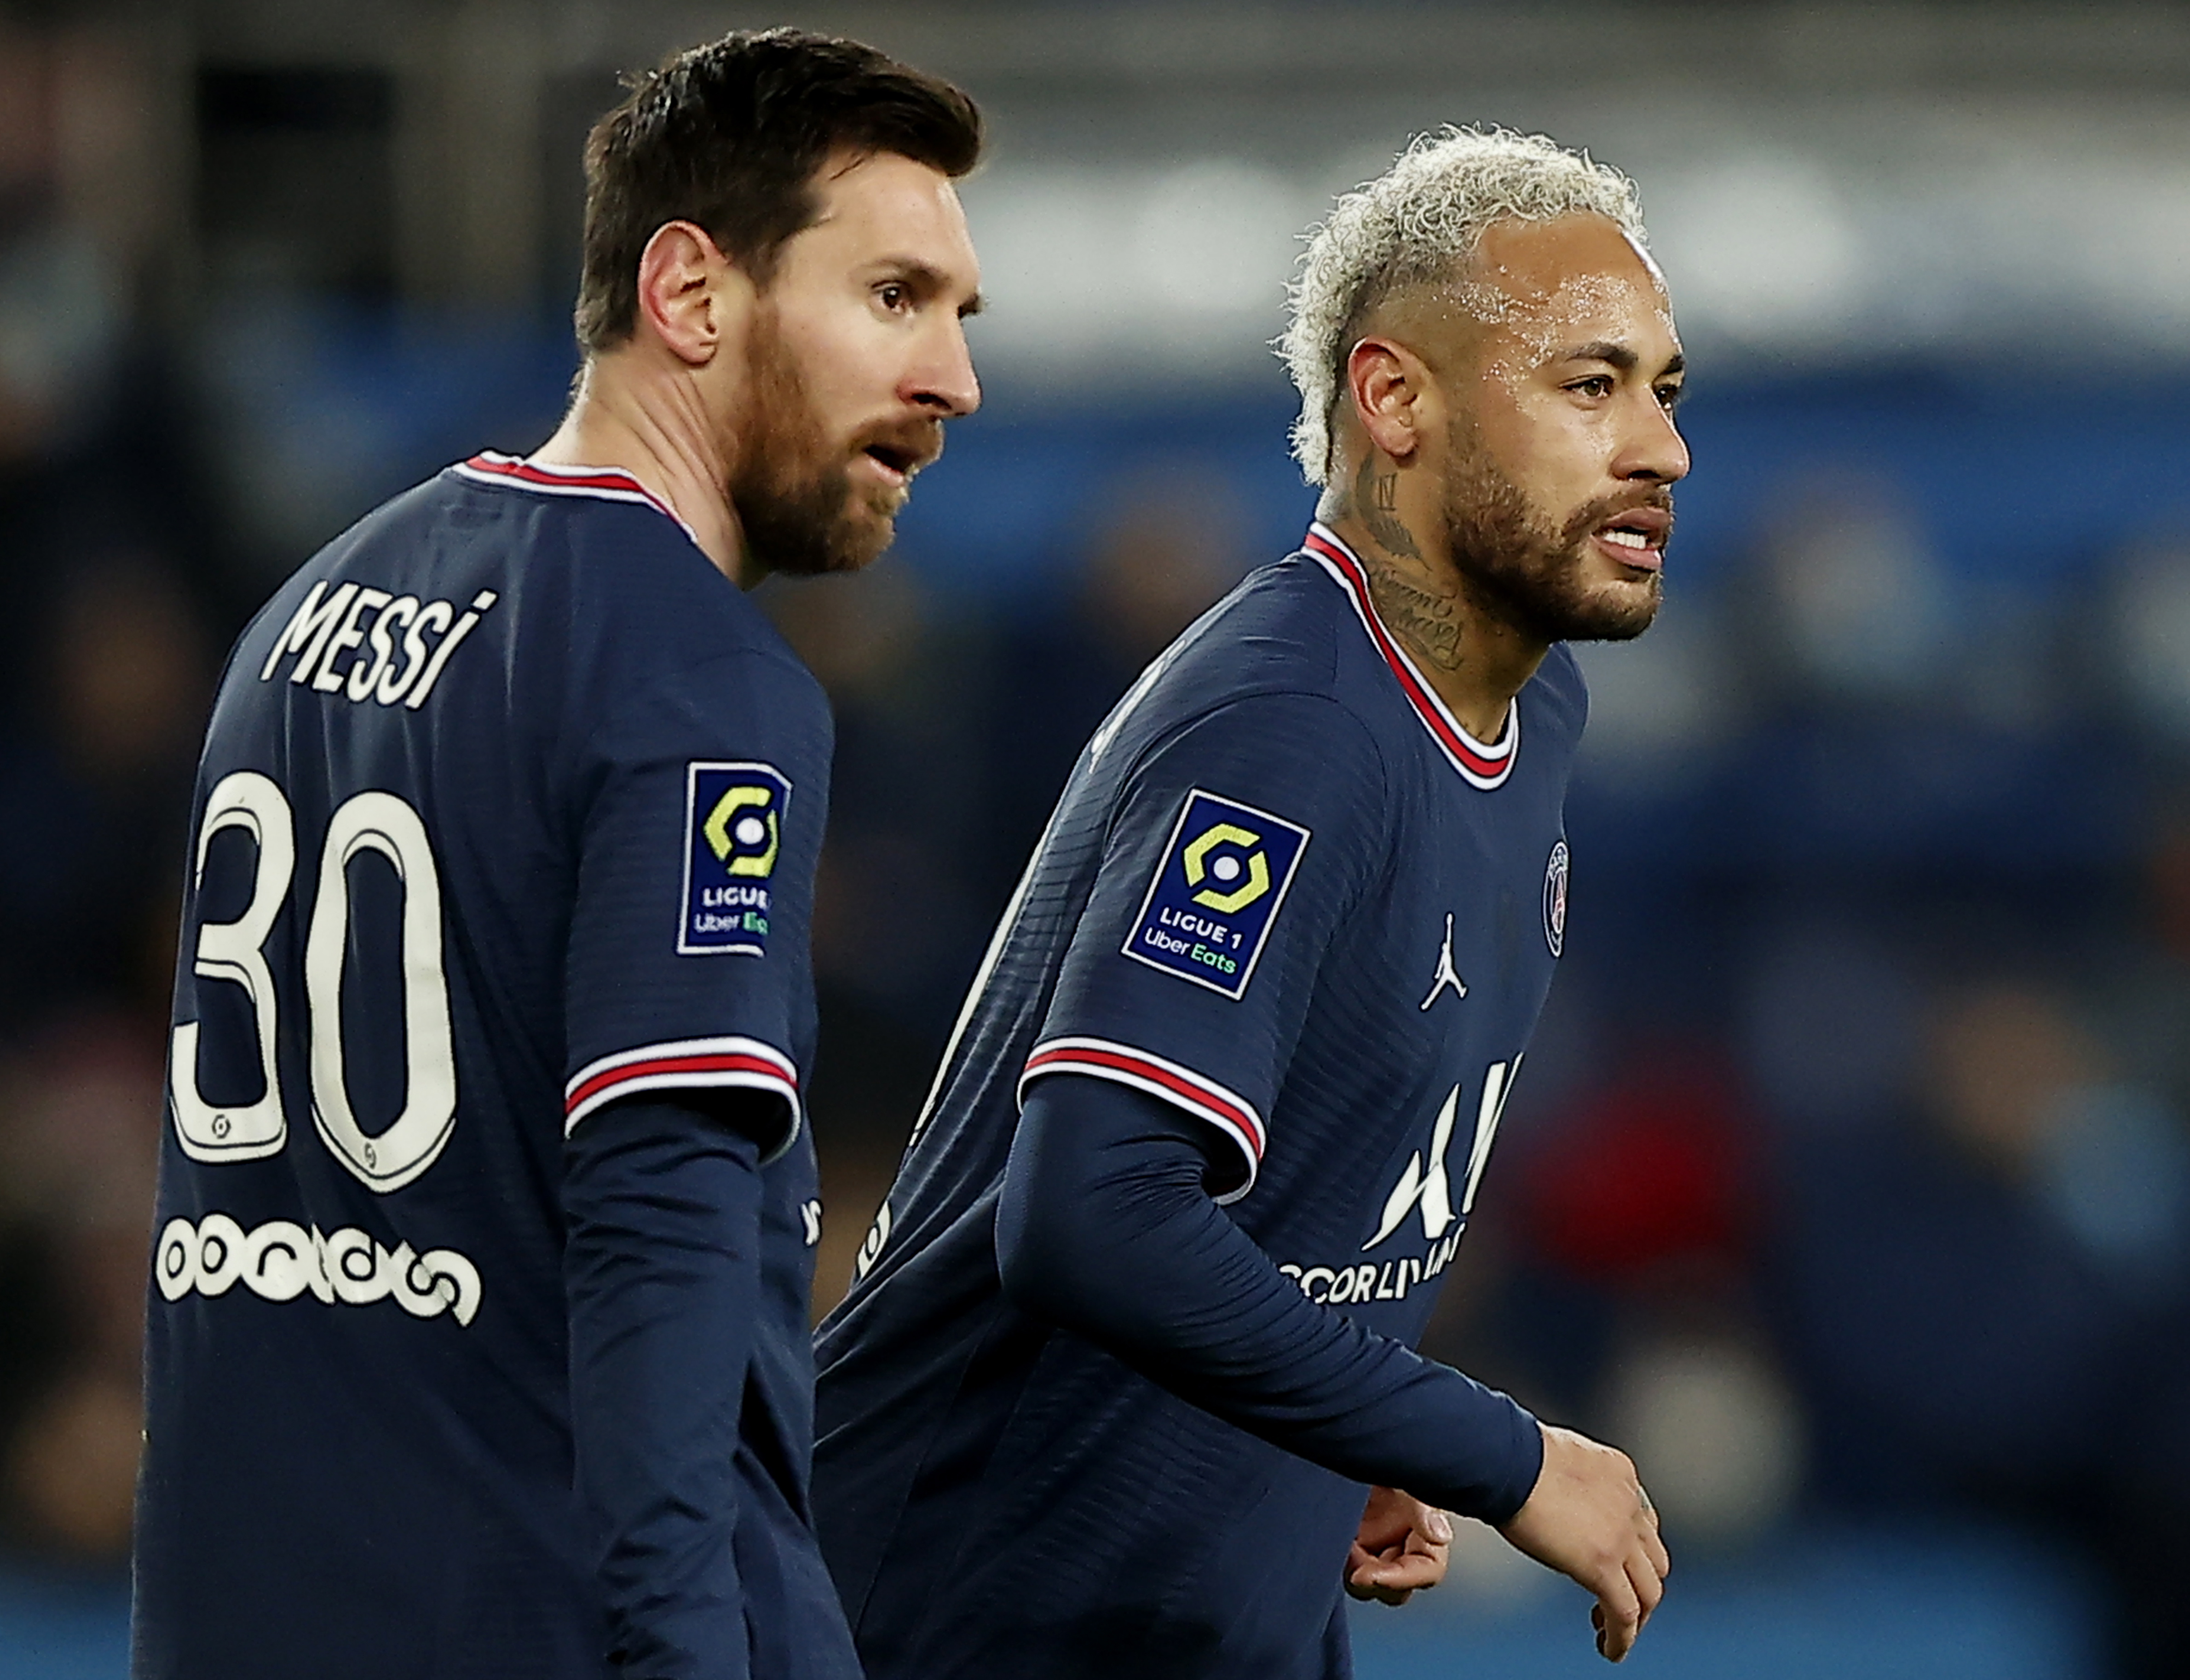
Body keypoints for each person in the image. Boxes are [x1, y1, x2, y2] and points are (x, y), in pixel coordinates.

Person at [131, 30, 983, 1680]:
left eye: (959, 313)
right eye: (894, 296)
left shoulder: (303, 615)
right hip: (534, 1615)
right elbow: (661, 1219)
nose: (954, 376)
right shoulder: (699, 684)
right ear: (693, 293)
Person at [813, 127, 1684, 1678]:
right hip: (962, 1619)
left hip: (1202, 1611)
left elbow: (1302, 1222)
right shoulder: (1293, 728)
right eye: (1589, 384)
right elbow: (1091, 1211)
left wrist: (1328, 1430)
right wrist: (1501, 1448)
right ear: (1393, 397)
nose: (1661, 451)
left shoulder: (1520, 717)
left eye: (1664, 392)